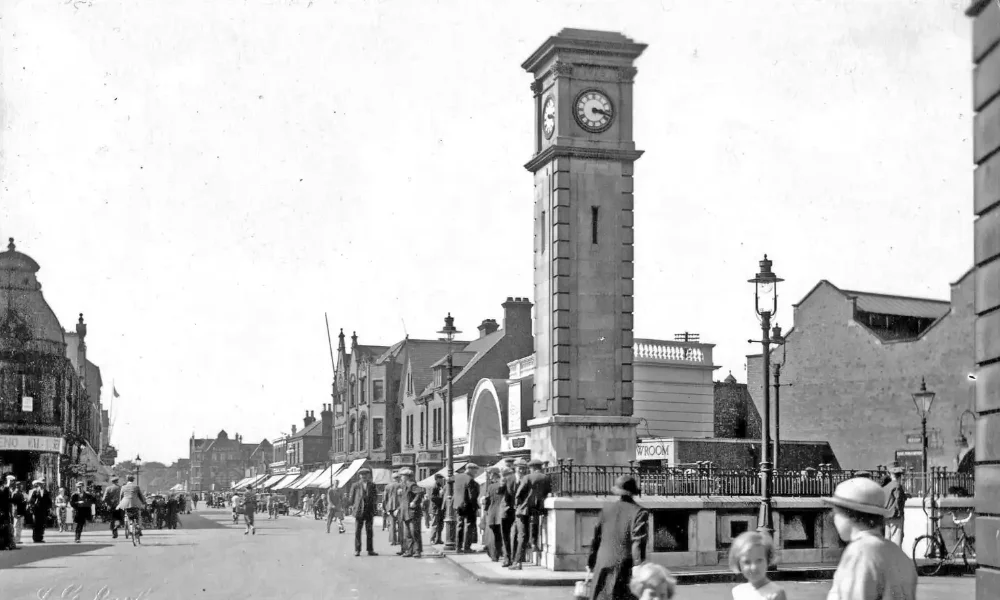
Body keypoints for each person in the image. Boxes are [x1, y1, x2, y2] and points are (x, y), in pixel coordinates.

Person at [822, 477, 917, 600]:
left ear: (850, 515)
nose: (834, 518)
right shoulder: (900, 555)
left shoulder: (859, 552)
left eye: (836, 513)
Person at [586, 474, 649, 600]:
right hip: (623, 566)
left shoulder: (607, 509)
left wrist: (590, 561)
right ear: (633, 492)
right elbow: (638, 541)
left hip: (602, 563)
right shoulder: (639, 512)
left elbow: (596, 538)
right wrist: (638, 566)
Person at [728, 531, 786, 600]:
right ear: (738, 563)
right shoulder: (738, 591)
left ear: (767, 560)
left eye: (759, 560)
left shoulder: (775, 593)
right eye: (747, 562)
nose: (754, 567)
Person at [348, 467, 379, 557]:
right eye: (362, 475)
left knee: (369, 531)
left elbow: (375, 497)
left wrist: (374, 507)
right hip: (359, 510)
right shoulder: (355, 485)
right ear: (359, 476)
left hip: (369, 510)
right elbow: (351, 498)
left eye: (366, 474)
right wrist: (353, 506)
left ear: (368, 475)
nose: (364, 476)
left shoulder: (372, 485)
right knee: (358, 531)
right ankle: (357, 550)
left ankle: (370, 550)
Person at [483, 468, 511, 565]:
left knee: (494, 536)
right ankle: (504, 555)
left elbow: (486, 501)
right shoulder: (505, 485)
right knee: (503, 536)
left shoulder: (490, 487)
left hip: (492, 514)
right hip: (502, 513)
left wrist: (486, 511)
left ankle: (495, 556)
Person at [451, 463, 480, 554]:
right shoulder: (470, 479)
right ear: (470, 469)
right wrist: (476, 507)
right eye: (475, 470)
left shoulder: (457, 477)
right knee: (469, 526)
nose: (476, 472)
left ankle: (458, 547)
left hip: (457, 505)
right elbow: (472, 496)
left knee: (459, 525)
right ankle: (467, 547)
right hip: (468, 505)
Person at [525, 458, 550, 557]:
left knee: (529, 523)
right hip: (541, 503)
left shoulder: (528, 477)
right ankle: (535, 543)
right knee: (537, 523)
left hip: (529, 503)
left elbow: (523, 490)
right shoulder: (546, 477)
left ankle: (531, 542)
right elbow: (548, 490)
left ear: (533, 467)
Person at [509, 459, 531, 570]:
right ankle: (514, 559)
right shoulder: (511, 479)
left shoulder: (527, 479)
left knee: (520, 535)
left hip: (521, 511)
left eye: (523, 468)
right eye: (519, 468)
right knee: (515, 535)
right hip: (513, 511)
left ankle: (517, 561)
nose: (521, 470)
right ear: (515, 468)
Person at [398, 468, 425, 558]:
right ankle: (409, 551)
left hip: (413, 513)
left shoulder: (412, 484)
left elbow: (420, 492)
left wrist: (414, 502)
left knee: (414, 533)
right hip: (405, 513)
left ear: (407, 477)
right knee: (407, 534)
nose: (401, 477)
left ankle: (417, 551)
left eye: (402, 476)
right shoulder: (403, 485)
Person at [882, 465, 907, 547]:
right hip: (896, 516)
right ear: (899, 476)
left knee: (887, 540)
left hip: (886, 516)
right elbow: (898, 500)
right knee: (896, 540)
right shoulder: (897, 486)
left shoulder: (886, 487)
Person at [116, 475, 147, 541]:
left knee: (127, 514)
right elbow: (141, 496)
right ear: (133, 480)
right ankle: (139, 529)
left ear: (127, 480)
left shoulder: (123, 487)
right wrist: (143, 502)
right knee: (138, 516)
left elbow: (121, 497)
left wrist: (120, 504)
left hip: (126, 504)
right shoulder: (136, 487)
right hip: (135, 504)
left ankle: (128, 525)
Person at [382, 472, 401, 545]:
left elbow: (384, 498)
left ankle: (393, 540)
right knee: (400, 524)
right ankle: (400, 540)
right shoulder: (400, 485)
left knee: (392, 524)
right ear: (398, 478)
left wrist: (384, 508)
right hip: (399, 506)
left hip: (390, 507)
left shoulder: (387, 486)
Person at [428, 474, 445, 544]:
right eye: (440, 478)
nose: (442, 480)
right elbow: (432, 498)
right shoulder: (434, 486)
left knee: (440, 524)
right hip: (435, 508)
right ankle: (432, 539)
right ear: (437, 479)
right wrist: (440, 496)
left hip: (440, 508)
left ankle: (438, 539)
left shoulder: (440, 486)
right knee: (435, 524)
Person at [11, 481, 26, 546]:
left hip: (19, 511)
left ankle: (17, 539)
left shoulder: (19, 493)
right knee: (17, 526)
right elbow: (15, 504)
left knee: (18, 526)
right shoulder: (16, 493)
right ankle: (16, 539)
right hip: (18, 512)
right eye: (20, 486)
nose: (21, 487)